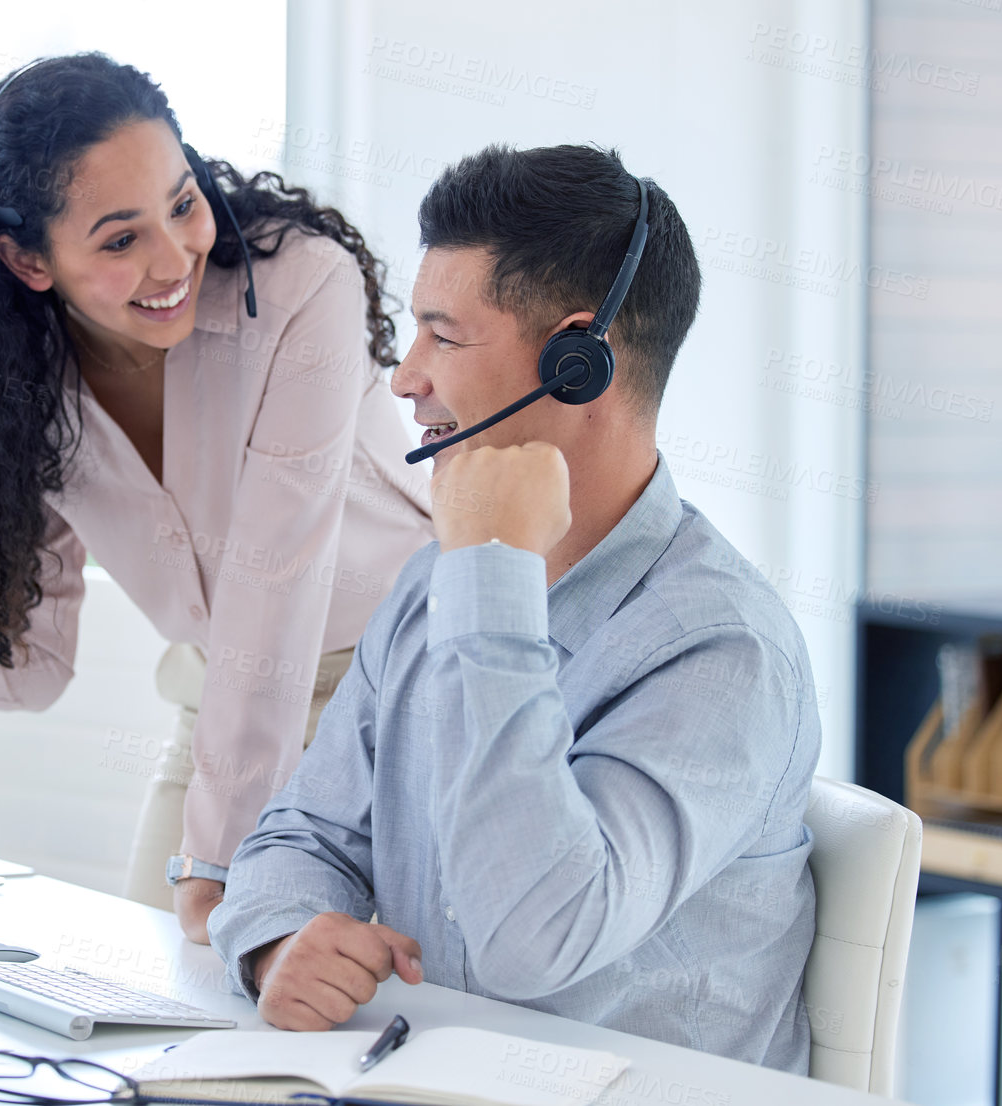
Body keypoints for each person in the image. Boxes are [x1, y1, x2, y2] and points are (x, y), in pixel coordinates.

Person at [207, 144, 821, 1072]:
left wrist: (493, 575)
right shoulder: (433, 584)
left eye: (443, 338)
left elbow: (536, 938)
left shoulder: (720, 650)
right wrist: (276, 942)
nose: (404, 378)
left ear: (579, 361)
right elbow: (303, 832)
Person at [0, 53, 432, 941]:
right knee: (154, 1007)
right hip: (222, 705)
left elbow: (272, 577)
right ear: (27, 260)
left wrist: (215, 864)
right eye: (119, 239)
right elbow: (30, 658)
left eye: (182, 204)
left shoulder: (300, 284)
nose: (175, 257)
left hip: (405, 695)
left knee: (352, 1018)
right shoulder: (21, 385)